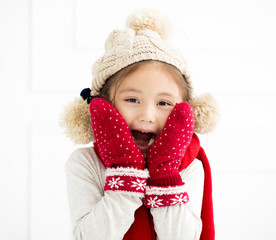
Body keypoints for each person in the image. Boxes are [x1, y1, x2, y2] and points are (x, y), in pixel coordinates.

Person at [60, 8, 219, 240]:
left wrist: (165, 173)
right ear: (104, 106)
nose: (147, 115)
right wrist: (125, 170)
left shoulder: (190, 167)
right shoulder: (85, 163)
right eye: (132, 100)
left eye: (163, 102)